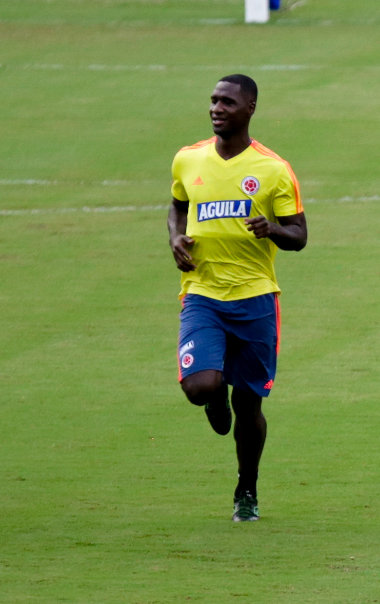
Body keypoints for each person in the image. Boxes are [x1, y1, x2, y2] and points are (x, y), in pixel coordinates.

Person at [166, 74, 307, 522]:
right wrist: (175, 239)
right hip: (203, 294)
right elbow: (177, 205)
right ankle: (212, 397)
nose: (216, 108)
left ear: (250, 108)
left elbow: (300, 235)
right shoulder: (188, 159)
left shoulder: (272, 169)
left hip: (256, 299)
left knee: (249, 406)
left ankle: (247, 487)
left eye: (227, 102)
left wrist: (274, 229)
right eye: (212, 101)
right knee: (200, 385)